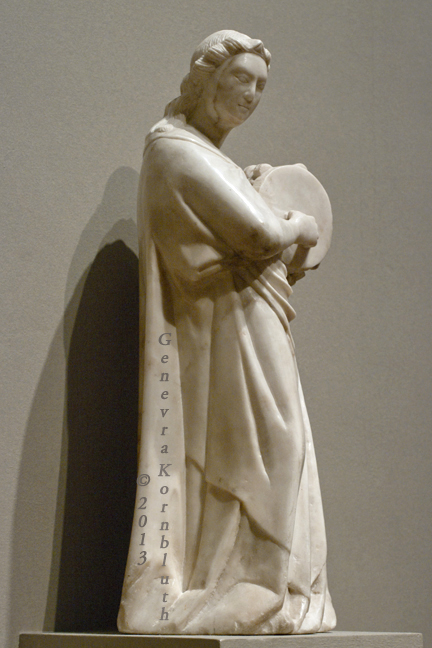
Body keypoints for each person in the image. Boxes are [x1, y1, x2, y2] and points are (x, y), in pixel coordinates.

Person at [118, 30, 336, 635]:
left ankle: (267, 584)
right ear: (203, 79)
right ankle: (249, 585)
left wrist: (251, 184)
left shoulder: (208, 157)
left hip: (248, 321)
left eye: (261, 85)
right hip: (223, 329)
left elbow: (246, 227)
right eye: (240, 78)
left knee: (274, 447)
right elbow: (259, 235)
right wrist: (298, 222)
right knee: (269, 446)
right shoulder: (172, 148)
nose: (251, 94)